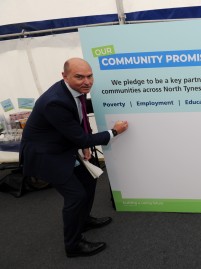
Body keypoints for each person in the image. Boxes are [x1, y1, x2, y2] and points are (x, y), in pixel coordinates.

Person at [20, 57, 129, 257]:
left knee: (88, 181)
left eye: (89, 76)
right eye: (79, 77)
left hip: (62, 147)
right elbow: (79, 136)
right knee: (76, 196)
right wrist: (114, 132)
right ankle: (73, 245)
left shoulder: (75, 92)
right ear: (65, 76)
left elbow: (78, 118)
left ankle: (84, 220)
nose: (86, 81)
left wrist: (82, 144)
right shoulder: (55, 102)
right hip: (45, 155)